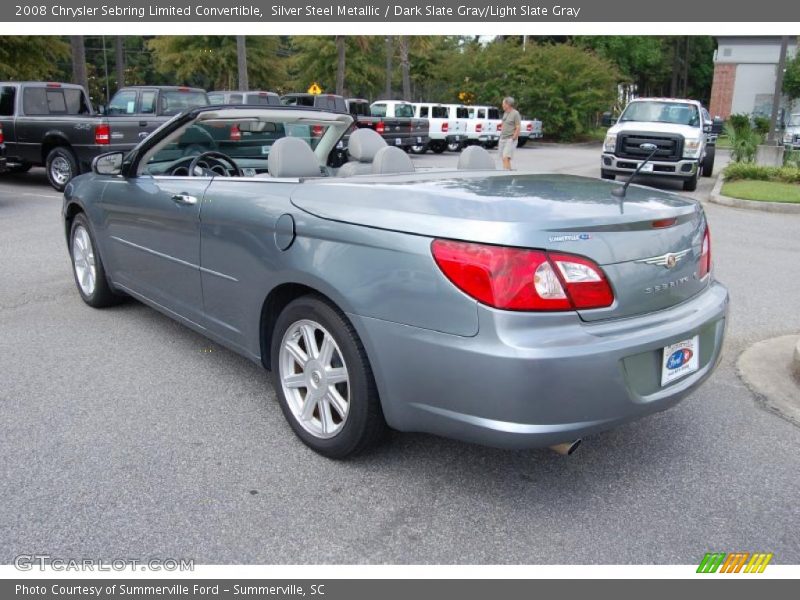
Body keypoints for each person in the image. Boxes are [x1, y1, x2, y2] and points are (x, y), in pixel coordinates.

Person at [499, 96, 521, 170]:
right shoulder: (505, 113)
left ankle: (506, 174)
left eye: (503, 103)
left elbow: (518, 127)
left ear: (507, 104)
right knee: (504, 158)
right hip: (503, 138)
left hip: (510, 139)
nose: (502, 105)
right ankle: (508, 173)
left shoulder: (515, 113)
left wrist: (513, 138)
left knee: (506, 157)